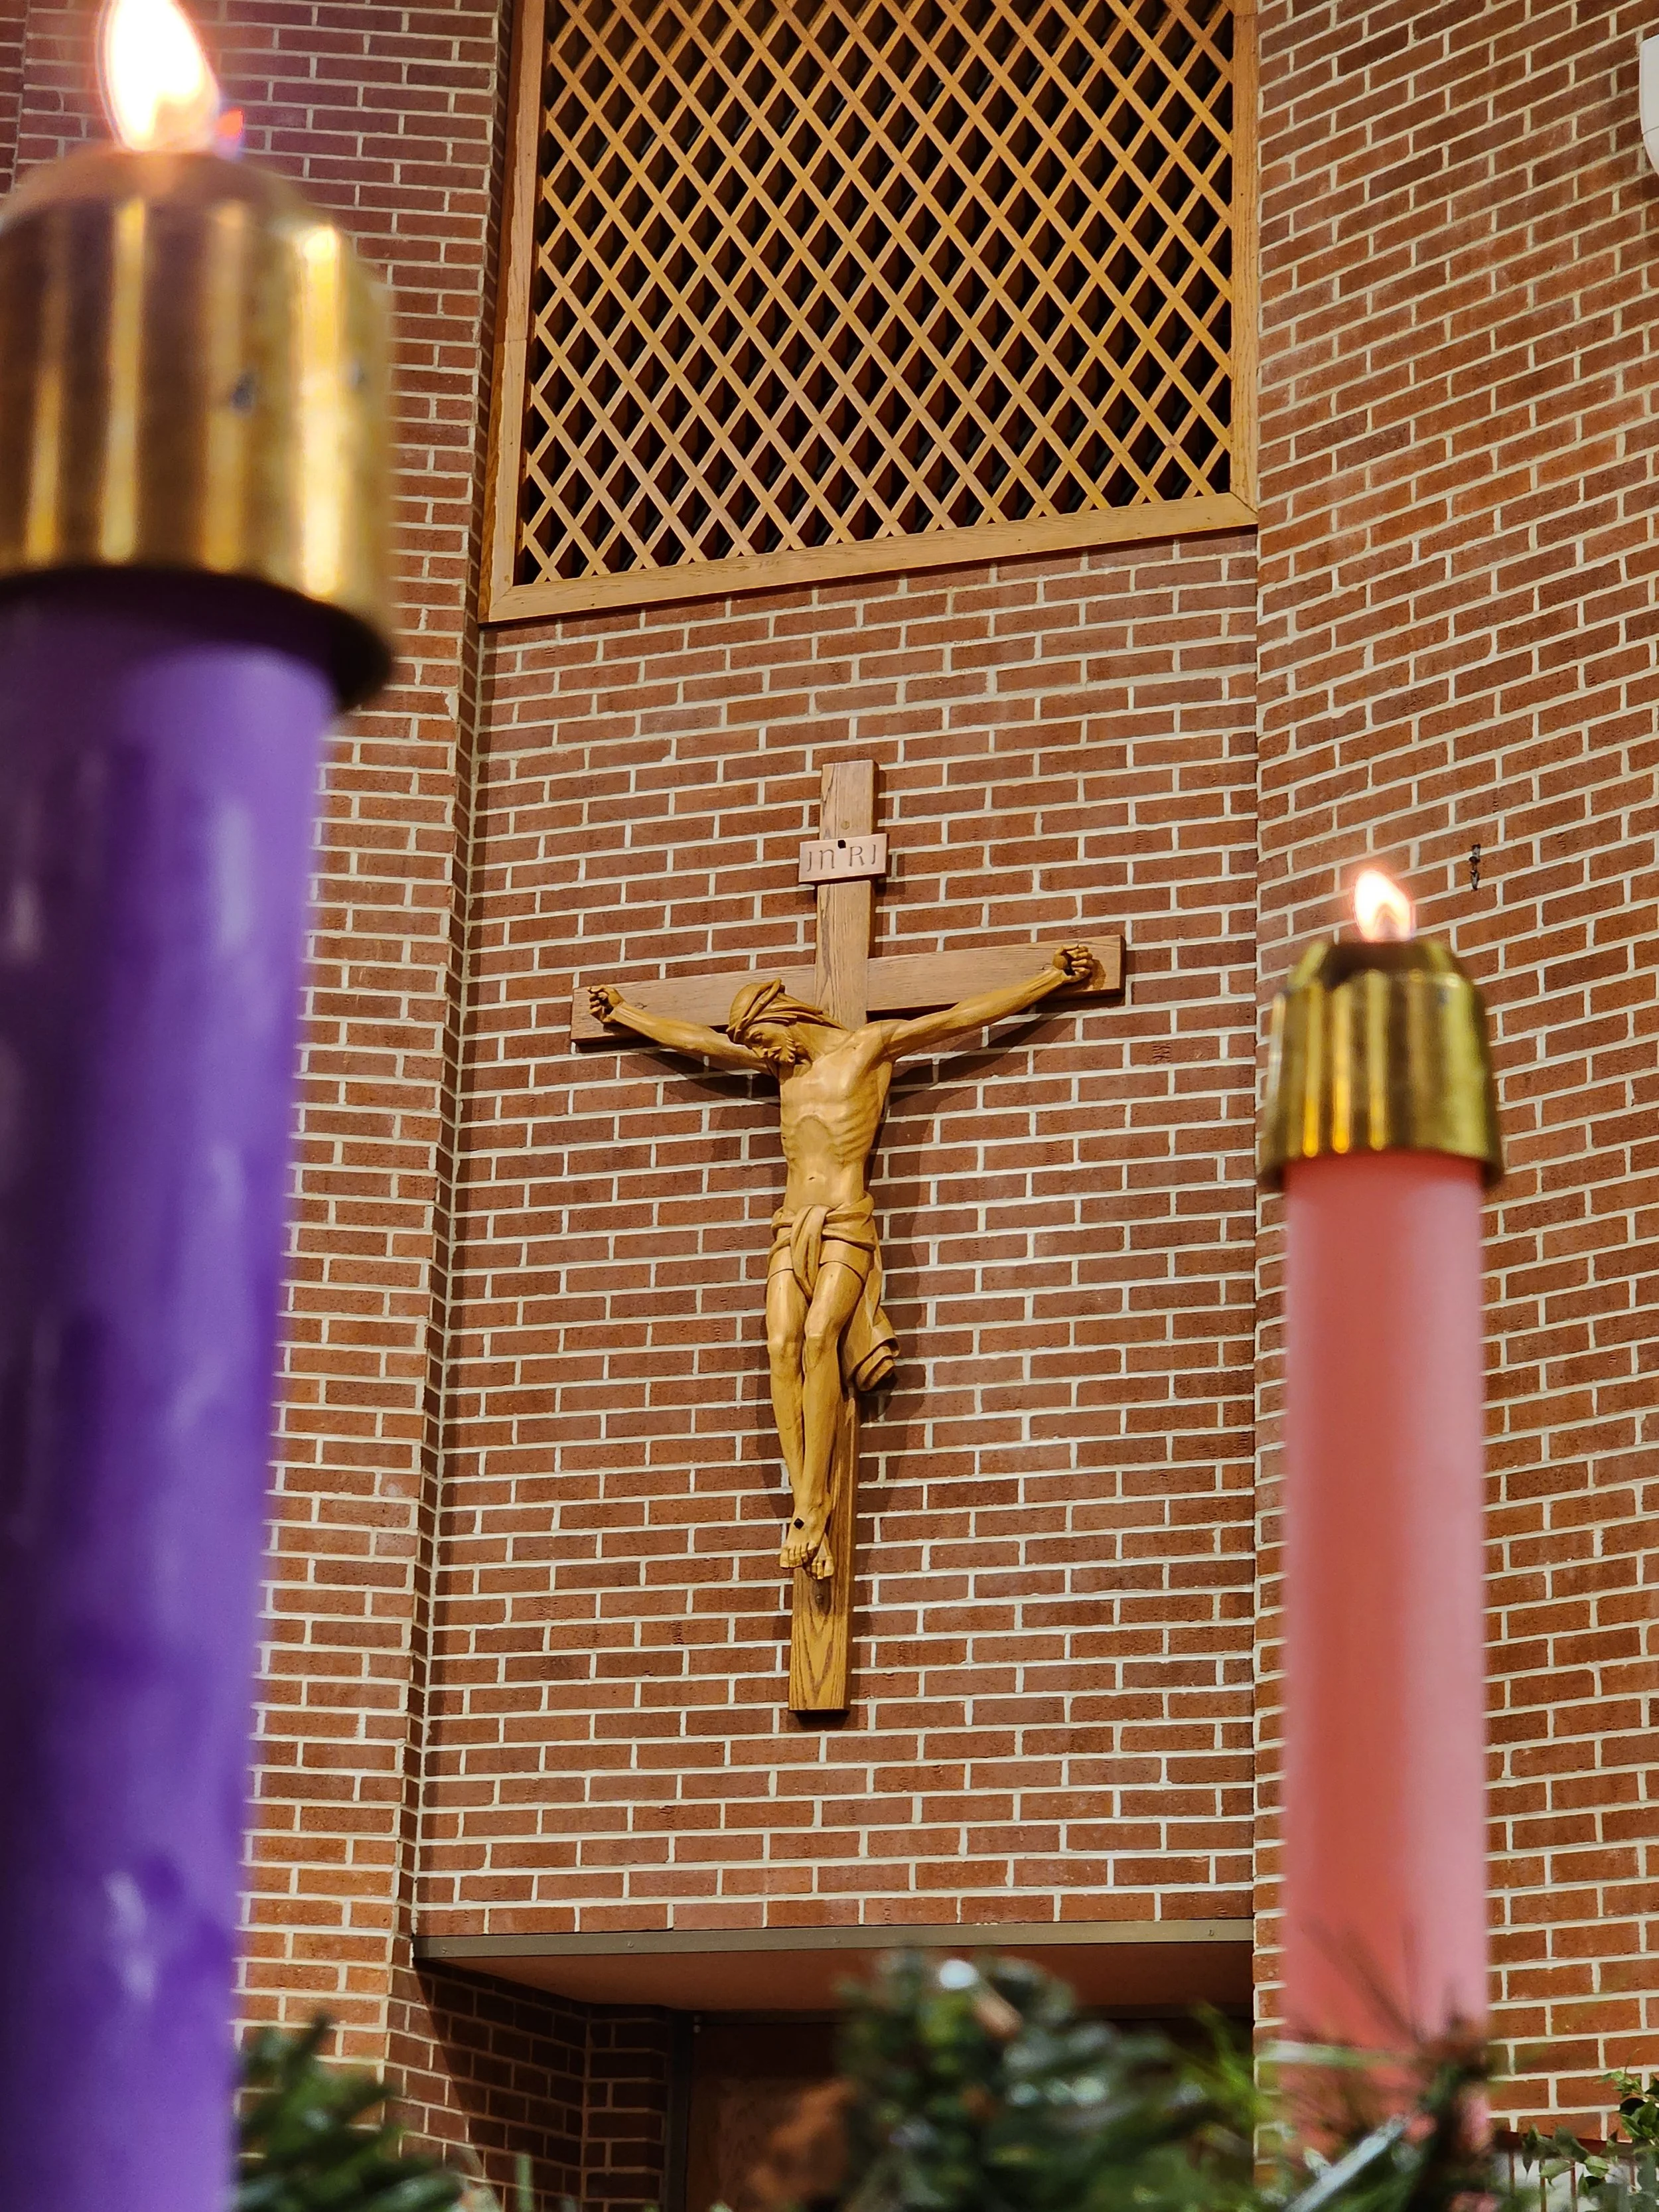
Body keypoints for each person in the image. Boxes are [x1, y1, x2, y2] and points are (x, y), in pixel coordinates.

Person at [587, 944, 1097, 1582]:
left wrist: (1050, 978)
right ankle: (810, 1502)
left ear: (789, 1016)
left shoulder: (869, 1049)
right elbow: (699, 1042)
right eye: (753, 1044)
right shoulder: (783, 1072)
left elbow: (961, 1018)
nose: (761, 1053)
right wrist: (627, 1015)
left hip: (845, 1224)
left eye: (765, 1038)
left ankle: (809, 1509)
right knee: (779, 1345)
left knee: (822, 1336)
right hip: (788, 1228)